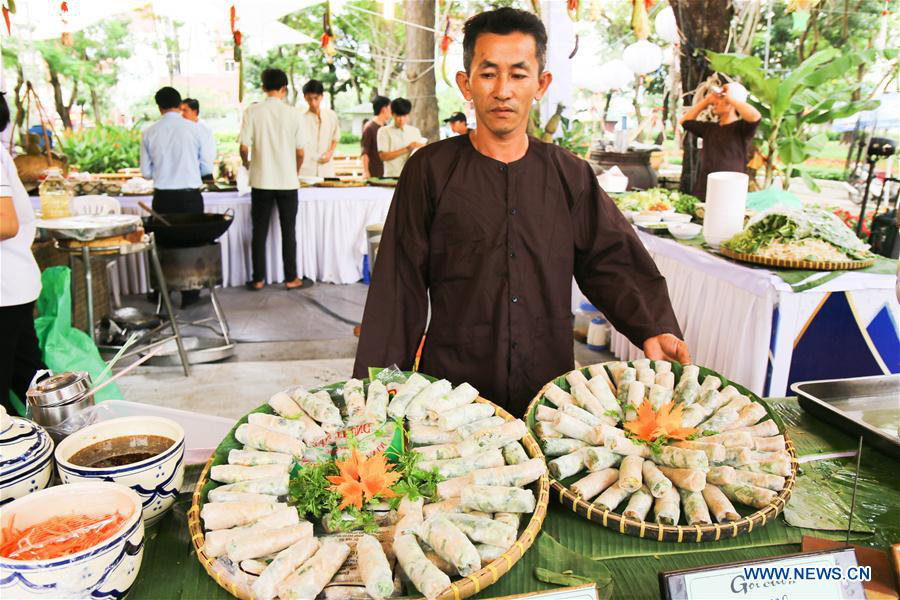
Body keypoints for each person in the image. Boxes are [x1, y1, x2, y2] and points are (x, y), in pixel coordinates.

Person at [353, 7, 689, 416]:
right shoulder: (431, 170)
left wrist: (653, 327)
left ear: (541, 84)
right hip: (452, 397)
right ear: (466, 83)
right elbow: (397, 287)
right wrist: (377, 395)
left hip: (547, 394)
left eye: (518, 74)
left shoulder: (570, 175)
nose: (503, 90)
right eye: (489, 73)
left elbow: (612, 261)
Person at [239, 68, 309, 291]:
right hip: (288, 181)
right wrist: (294, 170)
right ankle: (291, 278)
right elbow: (300, 152)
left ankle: (258, 279)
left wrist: (248, 164)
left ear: (263, 87)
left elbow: (243, 147)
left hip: (261, 180)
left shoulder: (252, 111)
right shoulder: (295, 113)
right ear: (283, 89)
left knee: (259, 231)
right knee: (288, 231)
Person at [0, 91, 47, 416]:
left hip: (6, 286)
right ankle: (68, 443)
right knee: (31, 379)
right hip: (12, 285)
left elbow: (6, 223)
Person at [679, 83, 762, 201]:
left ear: (731, 103)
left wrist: (730, 98)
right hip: (706, 187)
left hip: (730, 189)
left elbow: (755, 116)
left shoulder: (741, 128)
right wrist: (707, 101)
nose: (715, 103)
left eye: (721, 99)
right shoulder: (709, 129)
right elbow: (685, 121)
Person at [141, 86, 212, 214]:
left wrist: (162, 172)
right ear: (180, 105)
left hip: (163, 199)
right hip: (190, 198)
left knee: (165, 234)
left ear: (159, 107)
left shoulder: (148, 133)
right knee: (193, 234)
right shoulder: (197, 129)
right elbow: (207, 168)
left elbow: (146, 173)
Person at [299, 79, 340, 178]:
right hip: (306, 170)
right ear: (305, 98)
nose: (313, 103)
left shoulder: (331, 116)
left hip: (327, 170)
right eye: (309, 99)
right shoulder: (300, 118)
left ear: (322, 96)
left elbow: (335, 138)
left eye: (316, 98)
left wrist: (330, 153)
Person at [377, 98, 425, 178]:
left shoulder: (415, 131)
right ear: (392, 114)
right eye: (398, 116)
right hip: (392, 177)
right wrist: (407, 148)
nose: (401, 119)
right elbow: (383, 156)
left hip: (412, 176)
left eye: (404, 116)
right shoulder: (384, 131)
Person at [181, 97, 217, 179]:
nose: (181, 114)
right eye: (180, 110)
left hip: (202, 176)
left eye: (184, 110)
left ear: (195, 111)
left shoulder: (204, 130)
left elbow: (207, 156)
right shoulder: (182, 129)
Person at [360, 95, 390, 178]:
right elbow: (364, 152)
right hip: (373, 173)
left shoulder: (386, 127)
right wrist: (366, 171)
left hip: (386, 172)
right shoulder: (369, 127)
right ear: (384, 109)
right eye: (390, 108)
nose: (391, 111)